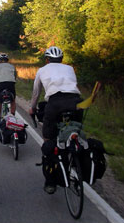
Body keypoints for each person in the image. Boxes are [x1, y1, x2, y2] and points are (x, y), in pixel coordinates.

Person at [28, 46, 83, 194]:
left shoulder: (42, 70)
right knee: (75, 134)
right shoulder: (70, 68)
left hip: (55, 104)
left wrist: (32, 108)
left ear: (47, 59)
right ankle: (78, 166)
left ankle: (50, 182)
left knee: (48, 140)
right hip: (76, 102)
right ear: (62, 59)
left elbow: (36, 93)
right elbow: (73, 87)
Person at [0, 53, 17, 123]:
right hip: (10, 84)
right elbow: (15, 76)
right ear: (7, 60)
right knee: (13, 100)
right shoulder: (12, 66)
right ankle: (13, 115)